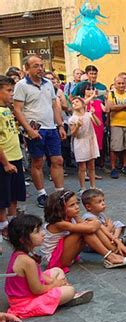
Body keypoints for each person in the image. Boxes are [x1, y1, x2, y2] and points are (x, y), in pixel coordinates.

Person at [5, 214, 93, 319]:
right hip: (24, 303)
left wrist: (52, 281)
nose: (42, 233)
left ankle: (62, 297)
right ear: (23, 239)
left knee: (57, 271)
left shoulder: (20, 253)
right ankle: (67, 298)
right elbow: (37, 290)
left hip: (23, 293)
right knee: (70, 290)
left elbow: (39, 274)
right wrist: (56, 284)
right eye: (37, 232)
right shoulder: (27, 261)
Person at [13, 55, 67, 208]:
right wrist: (29, 130)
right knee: (38, 161)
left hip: (51, 128)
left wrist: (60, 125)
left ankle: (59, 193)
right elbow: (17, 110)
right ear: (27, 69)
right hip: (35, 129)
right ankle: (41, 193)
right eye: (35, 66)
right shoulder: (22, 85)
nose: (40, 68)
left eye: (41, 65)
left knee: (58, 160)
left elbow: (54, 105)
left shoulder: (48, 83)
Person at [39, 190, 126, 271]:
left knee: (86, 227)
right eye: (72, 205)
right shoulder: (59, 223)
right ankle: (110, 256)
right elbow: (91, 228)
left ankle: (116, 251)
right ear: (60, 209)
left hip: (67, 254)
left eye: (77, 203)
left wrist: (116, 241)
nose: (77, 207)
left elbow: (93, 226)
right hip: (55, 260)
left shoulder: (73, 217)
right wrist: (95, 223)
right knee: (84, 230)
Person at [0, 76, 26, 245]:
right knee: (3, 197)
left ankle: (12, 225)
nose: (12, 94)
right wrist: (5, 163)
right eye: (8, 90)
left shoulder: (7, 110)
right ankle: (3, 226)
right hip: (5, 160)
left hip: (16, 157)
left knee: (14, 195)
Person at [69, 97, 101, 194]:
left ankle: (93, 186)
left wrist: (94, 114)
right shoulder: (73, 119)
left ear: (83, 104)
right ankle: (82, 188)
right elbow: (73, 134)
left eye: (77, 101)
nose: (74, 103)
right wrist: (78, 126)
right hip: (80, 141)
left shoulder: (88, 114)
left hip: (90, 140)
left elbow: (98, 124)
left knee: (91, 165)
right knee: (82, 166)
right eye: (73, 103)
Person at [107, 76, 126, 179]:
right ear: (115, 84)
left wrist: (118, 107)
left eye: (123, 83)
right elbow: (111, 107)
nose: (121, 85)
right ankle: (114, 168)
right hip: (116, 124)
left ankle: (125, 166)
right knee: (115, 147)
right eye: (118, 83)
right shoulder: (111, 94)